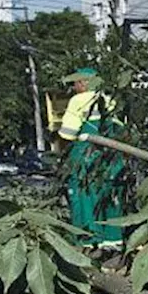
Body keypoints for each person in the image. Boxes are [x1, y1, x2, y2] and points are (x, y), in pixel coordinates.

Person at [58, 67, 123, 248]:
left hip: (85, 158)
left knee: (83, 196)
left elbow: (67, 134)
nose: (74, 88)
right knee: (110, 195)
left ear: (83, 83)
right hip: (111, 158)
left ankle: (88, 240)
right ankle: (113, 239)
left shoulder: (77, 100)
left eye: (76, 83)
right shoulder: (109, 100)